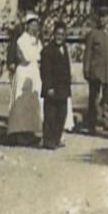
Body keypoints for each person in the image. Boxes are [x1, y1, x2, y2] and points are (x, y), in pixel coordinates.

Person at [4, 14, 43, 144]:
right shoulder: (21, 40)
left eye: (36, 24)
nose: (34, 27)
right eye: (32, 24)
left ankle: (30, 130)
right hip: (24, 71)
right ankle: (19, 131)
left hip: (34, 72)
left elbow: (40, 56)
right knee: (22, 101)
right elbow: (26, 57)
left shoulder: (37, 40)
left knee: (33, 101)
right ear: (27, 25)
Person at [82, 6, 108, 134]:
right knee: (94, 98)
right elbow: (88, 53)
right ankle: (92, 123)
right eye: (101, 17)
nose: (103, 20)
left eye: (105, 17)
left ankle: (107, 121)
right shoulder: (93, 34)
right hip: (96, 70)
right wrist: (86, 69)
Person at [41, 21, 73, 149]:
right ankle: (48, 140)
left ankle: (56, 138)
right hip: (52, 88)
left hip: (63, 88)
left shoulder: (65, 48)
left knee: (61, 114)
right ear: (53, 34)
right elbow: (45, 71)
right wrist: (48, 87)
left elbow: (67, 68)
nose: (59, 37)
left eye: (62, 34)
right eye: (57, 34)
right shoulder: (47, 50)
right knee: (50, 115)